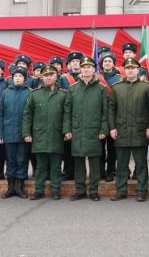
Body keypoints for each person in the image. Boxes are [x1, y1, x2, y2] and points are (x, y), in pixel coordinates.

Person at [109, 57, 149, 202]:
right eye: (127, 68)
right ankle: (121, 190)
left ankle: (142, 191)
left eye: (133, 68)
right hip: (121, 130)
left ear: (138, 70)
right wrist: (112, 127)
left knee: (141, 163)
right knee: (122, 163)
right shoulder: (116, 88)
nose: (130, 70)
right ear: (124, 70)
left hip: (140, 130)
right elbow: (111, 109)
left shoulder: (146, 87)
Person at [23, 65, 71, 200]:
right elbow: (27, 115)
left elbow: (67, 115)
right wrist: (26, 133)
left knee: (56, 166)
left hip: (56, 135)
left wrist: (67, 130)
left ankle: (56, 190)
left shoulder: (63, 94)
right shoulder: (34, 94)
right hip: (39, 135)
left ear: (56, 76)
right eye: (46, 75)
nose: (48, 78)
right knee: (40, 166)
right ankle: (39, 190)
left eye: (51, 75)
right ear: (42, 77)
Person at [66, 56, 109, 201]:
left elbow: (105, 111)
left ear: (93, 69)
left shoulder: (100, 88)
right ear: (80, 69)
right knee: (78, 162)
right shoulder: (73, 89)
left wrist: (104, 130)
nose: (86, 69)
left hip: (94, 130)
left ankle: (94, 191)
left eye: (89, 67)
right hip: (77, 130)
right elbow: (67, 111)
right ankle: (80, 190)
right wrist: (67, 130)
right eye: (83, 67)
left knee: (94, 162)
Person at [0, 66, 32, 199]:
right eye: (15, 76)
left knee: (22, 160)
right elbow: (0, 115)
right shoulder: (5, 93)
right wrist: (0, 134)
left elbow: (32, 115)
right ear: (12, 79)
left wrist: (29, 133)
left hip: (24, 133)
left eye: (20, 76)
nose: (17, 79)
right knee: (10, 160)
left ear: (24, 78)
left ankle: (20, 187)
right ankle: (10, 187)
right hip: (8, 133)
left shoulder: (30, 93)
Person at [99, 51, 122, 183]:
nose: (107, 63)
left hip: (114, 115)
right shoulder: (96, 77)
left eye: (109, 61)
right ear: (101, 64)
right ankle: (101, 170)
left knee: (113, 146)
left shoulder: (119, 78)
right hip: (100, 115)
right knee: (100, 146)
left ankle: (110, 170)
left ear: (113, 63)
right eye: (105, 61)